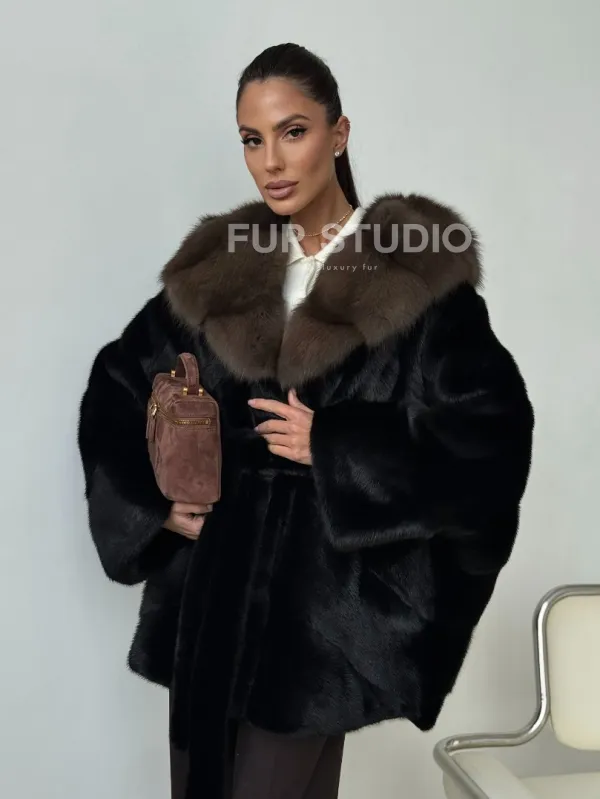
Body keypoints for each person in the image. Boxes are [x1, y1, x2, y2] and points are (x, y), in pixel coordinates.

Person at [77, 42, 534, 799]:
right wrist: (154, 506)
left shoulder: (417, 281)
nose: (271, 162)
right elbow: (116, 386)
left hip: (320, 624)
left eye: (293, 131)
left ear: (339, 133)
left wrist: (337, 448)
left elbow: (492, 442)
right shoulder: (220, 272)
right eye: (251, 139)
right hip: (209, 603)